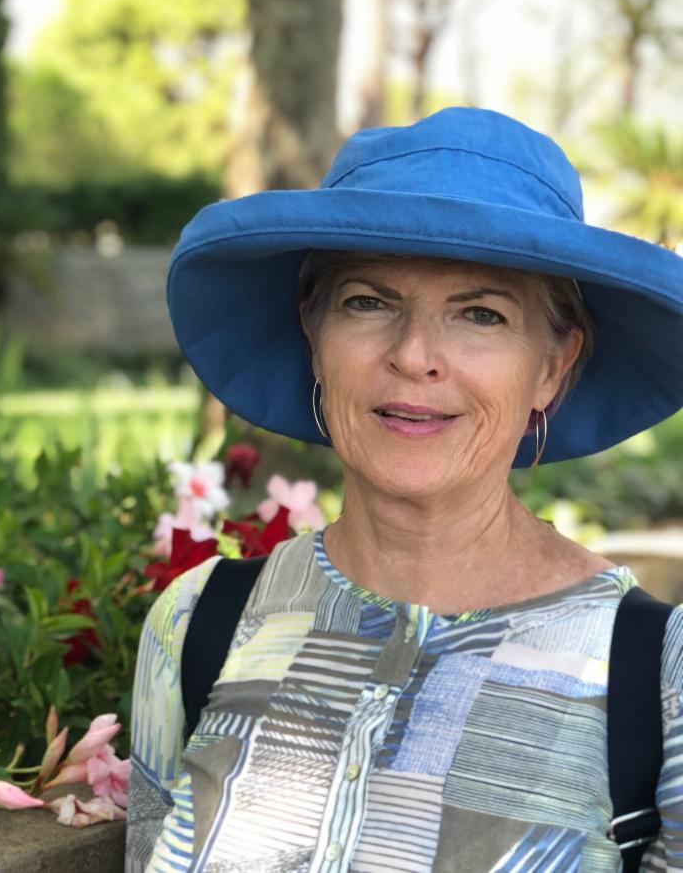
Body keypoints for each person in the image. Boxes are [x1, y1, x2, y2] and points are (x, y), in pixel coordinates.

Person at [125, 107, 683, 871]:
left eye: (481, 313)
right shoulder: (198, 624)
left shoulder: (655, 674)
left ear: (552, 368)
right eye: (368, 301)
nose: (415, 355)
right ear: (313, 334)